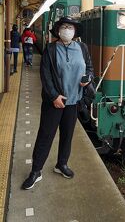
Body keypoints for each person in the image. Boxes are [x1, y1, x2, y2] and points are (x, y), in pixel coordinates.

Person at [22, 16, 94, 190]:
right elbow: (45, 75)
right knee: (45, 135)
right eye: (64, 27)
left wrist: (88, 78)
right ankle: (36, 171)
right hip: (54, 102)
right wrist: (54, 96)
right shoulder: (51, 49)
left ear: (75, 31)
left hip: (73, 101)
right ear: (58, 30)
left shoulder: (82, 48)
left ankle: (61, 164)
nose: (67, 30)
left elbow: (90, 69)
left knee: (67, 135)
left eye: (70, 27)